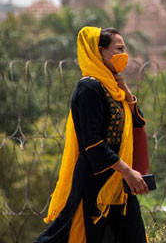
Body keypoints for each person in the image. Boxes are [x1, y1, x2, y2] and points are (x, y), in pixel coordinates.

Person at [36, 27, 149, 242]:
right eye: (118, 49)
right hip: (95, 180)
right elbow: (92, 143)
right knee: (72, 234)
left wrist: (128, 96)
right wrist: (126, 171)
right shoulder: (89, 88)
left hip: (120, 181)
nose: (123, 55)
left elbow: (136, 123)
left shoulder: (114, 87)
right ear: (100, 51)